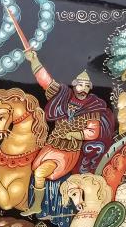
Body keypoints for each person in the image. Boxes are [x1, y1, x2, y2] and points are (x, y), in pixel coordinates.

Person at [22, 50, 114, 216]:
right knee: (33, 167)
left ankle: (36, 206)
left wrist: (75, 135)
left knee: (40, 172)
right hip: (51, 146)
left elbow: (92, 133)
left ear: (90, 88)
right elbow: (46, 81)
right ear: (73, 84)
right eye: (80, 84)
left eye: (86, 86)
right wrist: (34, 61)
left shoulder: (92, 108)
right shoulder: (62, 96)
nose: (83, 89)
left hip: (68, 151)